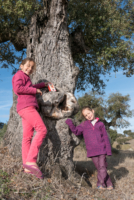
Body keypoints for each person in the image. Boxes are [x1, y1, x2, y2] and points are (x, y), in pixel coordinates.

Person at [12, 57, 50, 179]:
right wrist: (35, 90)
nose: (30, 68)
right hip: (27, 107)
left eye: (32, 67)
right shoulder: (19, 74)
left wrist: (42, 85)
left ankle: (26, 166)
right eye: (28, 65)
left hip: (25, 108)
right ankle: (31, 161)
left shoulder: (26, 78)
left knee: (27, 137)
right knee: (42, 129)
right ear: (21, 66)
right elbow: (18, 88)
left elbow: (30, 86)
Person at [65, 106, 113, 190]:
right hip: (92, 151)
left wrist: (108, 151)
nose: (88, 116)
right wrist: (70, 123)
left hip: (102, 150)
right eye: (86, 115)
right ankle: (109, 184)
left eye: (89, 113)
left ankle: (100, 184)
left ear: (93, 111)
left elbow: (105, 138)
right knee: (100, 168)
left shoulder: (100, 124)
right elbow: (76, 131)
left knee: (102, 167)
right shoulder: (84, 125)